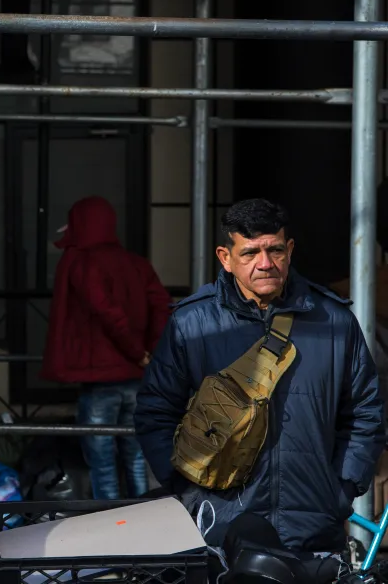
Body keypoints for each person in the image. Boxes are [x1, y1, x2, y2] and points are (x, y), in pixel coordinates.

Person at [134, 198, 385, 553]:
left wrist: (341, 489)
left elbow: (365, 414)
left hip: (314, 528)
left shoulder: (334, 322)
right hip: (222, 532)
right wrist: (190, 493)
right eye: (250, 253)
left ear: (290, 250)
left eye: (275, 250)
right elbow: (155, 413)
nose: (265, 264)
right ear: (225, 258)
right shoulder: (191, 325)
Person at [41, 196, 170, 500]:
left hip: (100, 379)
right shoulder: (136, 263)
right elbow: (162, 307)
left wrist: (136, 351)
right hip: (137, 375)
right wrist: (148, 353)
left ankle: (109, 520)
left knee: (101, 462)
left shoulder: (81, 262)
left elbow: (106, 312)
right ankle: (142, 516)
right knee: (136, 456)